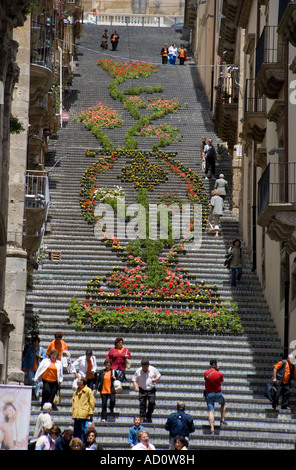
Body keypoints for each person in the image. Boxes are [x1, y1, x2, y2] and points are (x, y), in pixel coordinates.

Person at [132, 358, 161, 423]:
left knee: (152, 402)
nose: (145, 368)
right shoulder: (138, 371)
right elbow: (134, 379)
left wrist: (155, 379)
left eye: (146, 366)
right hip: (142, 389)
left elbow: (159, 375)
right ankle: (142, 417)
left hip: (151, 389)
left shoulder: (153, 369)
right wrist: (136, 386)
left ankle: (149, 415)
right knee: (142, 404)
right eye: (143, 366)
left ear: (148, 366)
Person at [204, 359, 227, 435]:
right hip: (218, 394)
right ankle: (222, 420)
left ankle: (212, 429)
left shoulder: (206, 373)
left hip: (209, 394)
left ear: (210, 365)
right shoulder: (219, 373)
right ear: (216, 365)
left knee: (211, 411)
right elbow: (221, 380)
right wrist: (218, 369)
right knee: (223, 403)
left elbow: (205, 379)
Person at [72, 376, 95, 444]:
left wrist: (90, 413)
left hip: (84, 415)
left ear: (82, 382)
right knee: (76, 432)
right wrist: (73, 413)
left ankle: (83, 446)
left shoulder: (88, 391)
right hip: (77, 415)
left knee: (83, 432)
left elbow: (92, 402)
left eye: (79, 380)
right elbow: (73, 403)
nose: (77, 382)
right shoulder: (76, 392)